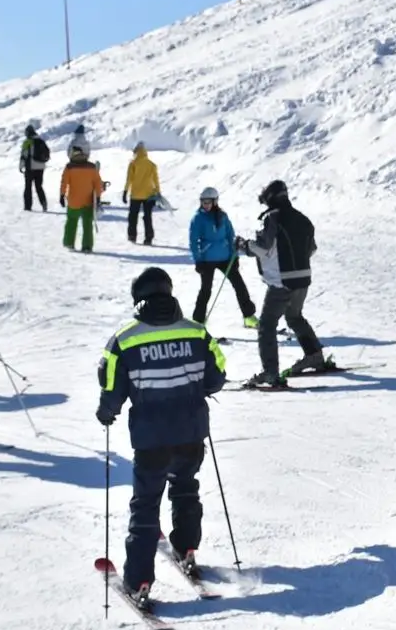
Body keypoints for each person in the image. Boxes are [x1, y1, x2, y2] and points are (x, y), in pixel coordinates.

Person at [95, 267, 226, 606]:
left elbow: (111, 384)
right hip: (192, 431)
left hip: (151, 437)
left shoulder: (125, 338)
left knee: (146, 504)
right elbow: (217, 377)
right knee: (185, 488)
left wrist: (107, 412)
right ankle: (187, 547)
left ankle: (139, 580)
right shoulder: (197, 332)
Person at [235, 180, 324, 386]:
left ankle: (270, 373)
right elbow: (312, 249)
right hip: (303, 278)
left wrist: (243, 245)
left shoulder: (272, 217)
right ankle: (314, 355)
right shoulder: (303, 219)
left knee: (266, 325)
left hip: (282, 281)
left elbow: (263, 248)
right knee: (294, 316)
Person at [189, 187, 258, 327]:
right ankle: (198, 321)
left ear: (215, 201)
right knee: (206, 290)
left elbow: (230, 235)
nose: (205, 205)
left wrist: (235, 255)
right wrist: (198, 261)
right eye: (203, 202)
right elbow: (193, 241)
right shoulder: (198, 218)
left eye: (208, 202)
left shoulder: (222, 216)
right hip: (207, 259)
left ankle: (249, 316)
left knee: (239, 286)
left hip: (225, 257)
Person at [59, 147, 104, 253]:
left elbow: (64, 182)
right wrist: (98, 196)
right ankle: (87, 246)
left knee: (71, 221)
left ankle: (69, 242)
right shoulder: (91, 167)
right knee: (87, 224)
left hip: (74, 200)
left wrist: (62, 195)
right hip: (88, 200)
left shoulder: (69, 167)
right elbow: (98, 183)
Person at [123, 142, 160, 245]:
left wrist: (125, 191)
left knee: (133, 216)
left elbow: (129, 180)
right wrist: (158, 192)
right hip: (149, 195)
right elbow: (156, 180)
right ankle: (148, 238)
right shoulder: (152, 164)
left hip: (135, 195)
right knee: (148, 217)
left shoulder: (133, 164)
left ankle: (132, 236)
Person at [19, 125, 49, 211]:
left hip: (30, 167)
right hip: (40, 167)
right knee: (39, 186)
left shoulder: (27, 142)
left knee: (28, 187)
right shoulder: (41, 141)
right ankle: (44, 202)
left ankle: (28, 206)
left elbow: (23, 155)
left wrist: (21, 167)